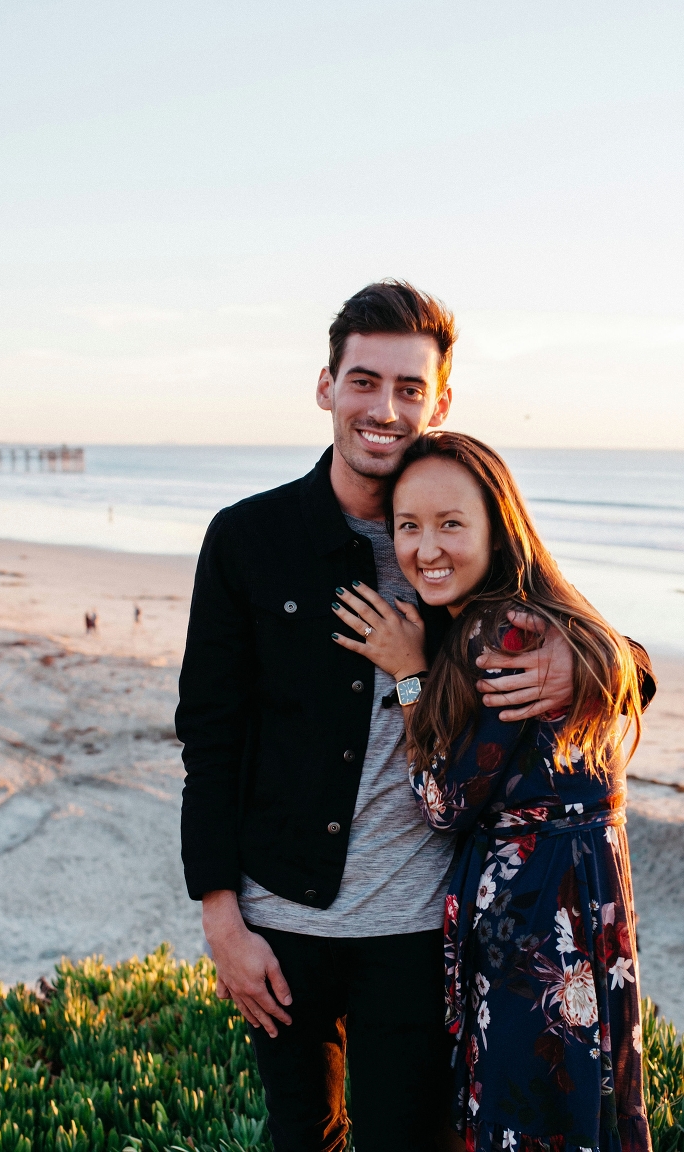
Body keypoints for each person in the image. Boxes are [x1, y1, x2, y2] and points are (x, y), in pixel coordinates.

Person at [175, 281, 608, 1152]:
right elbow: (209, 736)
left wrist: (594, 662)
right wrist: (222, 922)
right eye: (364, 381)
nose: (384, 408)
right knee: (303, 1135)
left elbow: (583, 624)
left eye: (410, 389)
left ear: (439, 400)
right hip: (281, 917)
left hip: (420, 929)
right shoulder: (247, 539)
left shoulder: (459, 539)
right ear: (326, 385)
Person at [330, 431, 653, 1152]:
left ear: (496, 529)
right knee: (580, 1104)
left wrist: (408, 672)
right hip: (584, 903)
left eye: (451, 524)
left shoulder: (503, 632)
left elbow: (444, 802)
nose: (426, 548)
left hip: (536, 918)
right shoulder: (539, 612)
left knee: (524, 1112)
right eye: (408, 526)